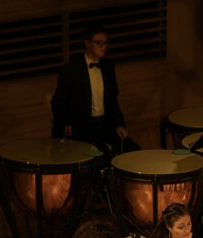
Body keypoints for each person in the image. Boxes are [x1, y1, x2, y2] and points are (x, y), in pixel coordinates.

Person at [50, 25, 140, 158]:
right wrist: (66, 123)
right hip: (81, 127)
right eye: (99, 43)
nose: (104, 47)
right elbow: (58, 102)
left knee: (133, 149)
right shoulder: (71, 70)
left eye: (105, 43)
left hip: (104, 124)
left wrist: (119, 124)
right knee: (101, 155)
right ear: (87, 44)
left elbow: (113, 101)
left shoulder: (108, 66)